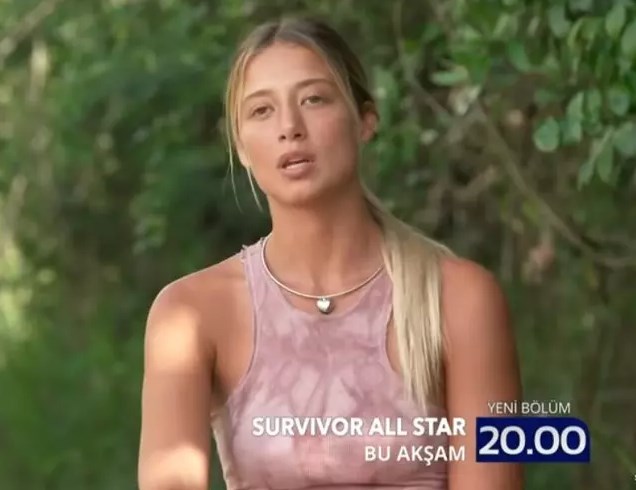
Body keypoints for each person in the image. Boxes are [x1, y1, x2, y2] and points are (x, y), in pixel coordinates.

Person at [137, 15, 523, 490]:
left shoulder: (463, 298)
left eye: (314, 99)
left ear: (365, 120)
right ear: (241, 147)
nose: (290, 127)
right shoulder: (189, 314)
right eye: (262, 110)